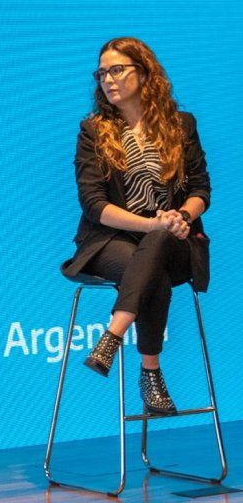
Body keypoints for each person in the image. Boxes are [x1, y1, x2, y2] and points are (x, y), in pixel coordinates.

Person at [62, 37, 211, 415]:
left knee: (157, 245)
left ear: (143, 74)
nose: (107, 80)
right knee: (148, 269)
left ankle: (113, 334)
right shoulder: (93, 131)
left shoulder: (181, 125)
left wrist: (182, 217)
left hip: (176, 239)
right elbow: (95, 206)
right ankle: (151, 374)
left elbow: (200, 189)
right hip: (111, 241)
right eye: (101, 73)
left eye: (117, 70)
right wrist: (151, 224)